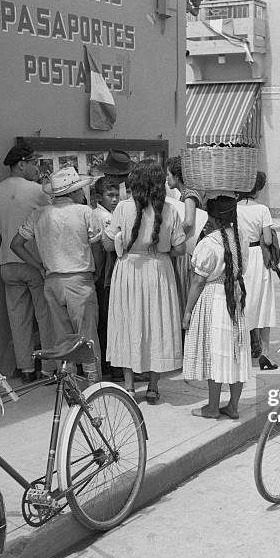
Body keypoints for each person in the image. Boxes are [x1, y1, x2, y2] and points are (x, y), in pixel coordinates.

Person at [103, 162, 186, 403]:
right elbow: (180, 248)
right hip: (159, 271)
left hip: (128, 270)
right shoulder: (170, 209)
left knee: (127, 323)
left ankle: (128, 386)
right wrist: (161, 251)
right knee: (157, 324)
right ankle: (152, 386)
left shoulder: (122, 208)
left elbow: (108, 245)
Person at [10, 167, 103, 382]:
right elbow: (97, 247)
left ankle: (67, 380)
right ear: (73, 193)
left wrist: (39, 266)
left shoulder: (39, 214)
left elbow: (16, 244)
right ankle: (93, 381)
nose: (83, 194)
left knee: (62, 337)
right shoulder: (84, 212)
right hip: (79, 280)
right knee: (87, 335)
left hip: (52, 282)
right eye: (80, 190)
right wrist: (96, 271)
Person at [0, 143, 54, 383]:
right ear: (21, 164)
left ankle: (25, 367)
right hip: (33, 260)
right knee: (45, 316)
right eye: (33, 163)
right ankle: (49, 366)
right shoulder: (37, 191)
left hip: (6, 261)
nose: (36, 167)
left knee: (18, 318)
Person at [183, 195, 251, 419]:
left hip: (214, 299)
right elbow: (244, 268)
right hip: (236, 297)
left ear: (211, 217)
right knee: (236, 352)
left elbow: (198, 281)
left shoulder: (208, 243)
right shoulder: (241, 237)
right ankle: (233, 406)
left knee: (216, 352)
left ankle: (212, 407)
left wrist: (188, 310)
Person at [236, 171, 278, 370]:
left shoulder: (234, 209)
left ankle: (242, 350)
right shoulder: (262, 209)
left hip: (240, 256)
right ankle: (265, 353)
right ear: (259, 189)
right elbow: (268, 240)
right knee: (263, 303)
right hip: (257, 257)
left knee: (243, 303)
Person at [165, 156, 206, 317]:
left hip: (188, 251)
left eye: (168, 175)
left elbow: (188, 222)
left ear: (177, 176)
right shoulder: (187, 193)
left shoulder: (189, 195)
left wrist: (172, 233)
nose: (166, 179)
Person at [93, 176, 123, 380]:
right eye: (109, 195)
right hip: (105, 275)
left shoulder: (108, 213)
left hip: (106, 274)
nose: (114, 199)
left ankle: (109, 364)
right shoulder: (102, 217)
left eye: (116, 195)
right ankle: (110, 365)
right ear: (99, 197)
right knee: (107, 321)